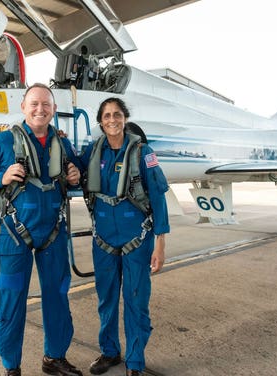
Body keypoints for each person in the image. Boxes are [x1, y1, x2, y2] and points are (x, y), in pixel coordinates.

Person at [0, 83, 83, 376]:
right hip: (15, 232)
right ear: (23, 107)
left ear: (54, 109)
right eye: (34, 104)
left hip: (54, 232)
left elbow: (76, 176)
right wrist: (1, 177)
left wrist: (75, 176)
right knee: (12, 299)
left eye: (46, 104)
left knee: (57, 296)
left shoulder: (63, 143)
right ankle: (11, 367)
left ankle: (54, 358)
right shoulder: (3, 141)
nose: (40, 110)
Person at [79, 98, 170, 376]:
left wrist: (160, 244)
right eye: (106, 116)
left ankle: (135, 361)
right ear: (101, 121)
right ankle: (109, 352)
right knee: (106, 299)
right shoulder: (94, 151)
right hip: (103, 240)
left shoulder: (144, 153)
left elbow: (158, 197)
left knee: (135, 300)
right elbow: (73, 168)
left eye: (117, 114)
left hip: (137, 240)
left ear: (125, 118)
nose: (112, 120)